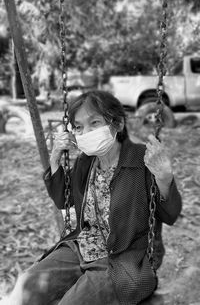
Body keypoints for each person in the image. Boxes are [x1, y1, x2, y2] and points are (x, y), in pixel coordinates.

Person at [8, 90, 182, 305]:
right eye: (79, 127)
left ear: (117, 124)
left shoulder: (141, 158)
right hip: (81, 246)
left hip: (124, 257)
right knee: (27, 285)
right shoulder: (86, 161)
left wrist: (164, 178)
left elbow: (170, 214)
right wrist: (55, 160)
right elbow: (65, 200)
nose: (85, 132)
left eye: (94, 123)